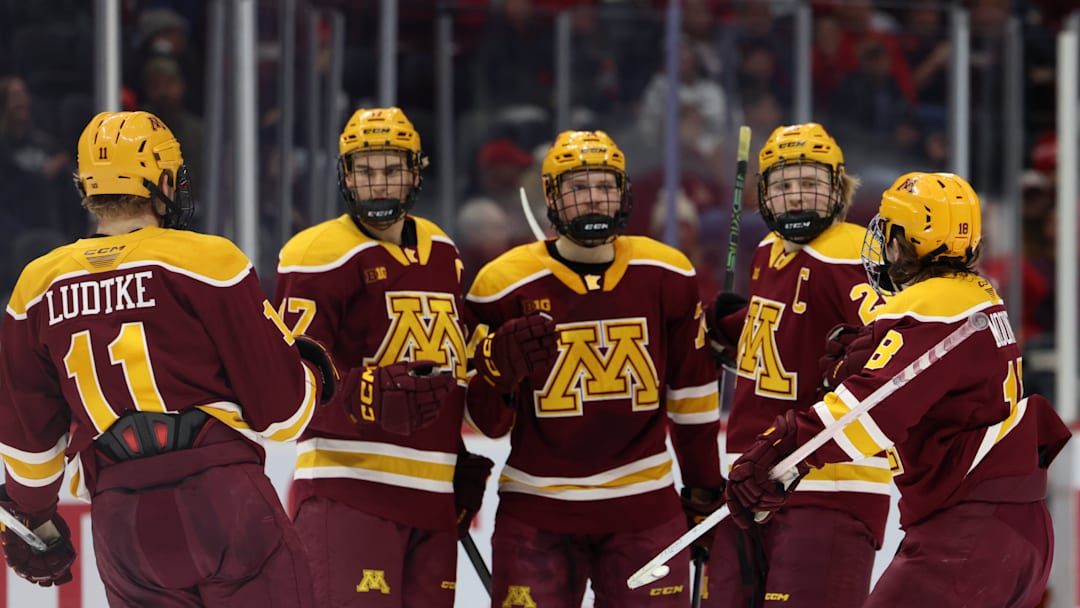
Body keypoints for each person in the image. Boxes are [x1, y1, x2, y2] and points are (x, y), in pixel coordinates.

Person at [0, 110, 334, 606]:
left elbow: (28, 444)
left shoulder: (36, 285)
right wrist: (308, 367)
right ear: (162, 180)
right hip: (223, 501)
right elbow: (285, 416)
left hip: (123, 522)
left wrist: (36, 518)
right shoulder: (207, 260)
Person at [724, 171, 1070, 607]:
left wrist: (783, 450)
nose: (882, 244)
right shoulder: (978, 296)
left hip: (969, 533)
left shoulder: (930, 307)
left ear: (907, 242)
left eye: (889, 233)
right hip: (1012, 532)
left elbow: (867, 416)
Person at [465, 130, 725, 607]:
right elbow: (487, 421)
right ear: (551, 197)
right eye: (577, 187)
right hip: (537, 513)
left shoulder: (667, 273)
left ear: (623, 195)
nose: (592, 200)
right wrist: (498, 371)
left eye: (604, 186)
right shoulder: (501, 285)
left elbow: (693, 397)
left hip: (644, 511)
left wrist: (706, 487)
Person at [274, 106, 486, 607]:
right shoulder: (316, 254)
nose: (379, 184)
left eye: (391, 170)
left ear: (415, 172)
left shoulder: (443, 251)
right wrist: (364, 395)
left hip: (433, 501)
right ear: (346, 175)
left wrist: (453, 457)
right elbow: (289, 387)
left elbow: (448, 371)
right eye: (366, 171)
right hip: (349, 493)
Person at [705, 122, 890, 607]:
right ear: (764, 195)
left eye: (811, 183)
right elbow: (796, 324)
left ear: (839, 188)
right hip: (751, 478)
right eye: (784, 185)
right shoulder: (769, 251)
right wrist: (738, 327)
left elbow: (889, 353)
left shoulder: (851, 253)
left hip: (828, 484)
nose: (798, 197)